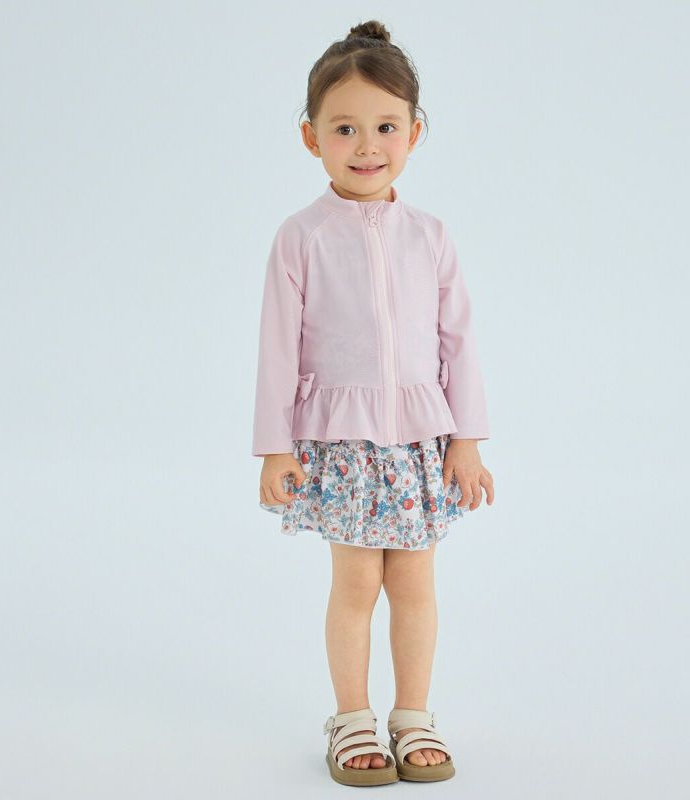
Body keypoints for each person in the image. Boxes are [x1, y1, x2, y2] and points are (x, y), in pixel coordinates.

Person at [251, 19, 495, 786]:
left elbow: (459, 340)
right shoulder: (301, 237)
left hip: (421, 442)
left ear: (414, 133)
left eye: (386, 127)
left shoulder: (431, 235)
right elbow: (277, 347)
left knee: (415, 584)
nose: (366, 145)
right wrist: (275, 446)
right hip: (343, 441)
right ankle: (352, 718)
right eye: (345, 128)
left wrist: (467, 438)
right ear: (311, 137)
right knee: (356, 584)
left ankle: (413, 715)